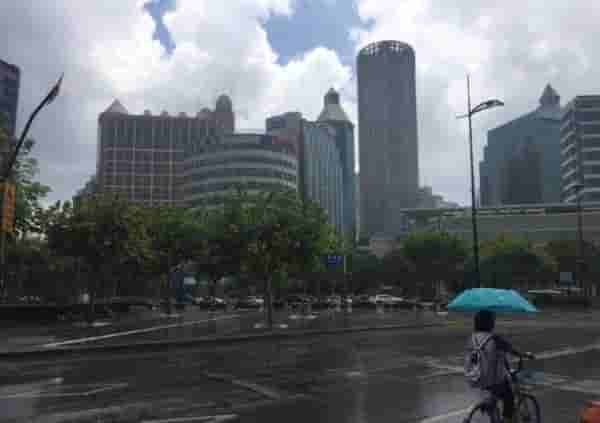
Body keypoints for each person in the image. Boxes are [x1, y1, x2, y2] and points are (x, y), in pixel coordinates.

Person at [467, 309, 533, 423]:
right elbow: (511, 350)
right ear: (490, 323)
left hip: (476, 376)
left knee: (493, 397)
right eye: (493, 320)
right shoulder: (494, 338)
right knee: (509, 398)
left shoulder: (473, 338)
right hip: (493, 379)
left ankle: (491, 410)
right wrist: (525, 354)